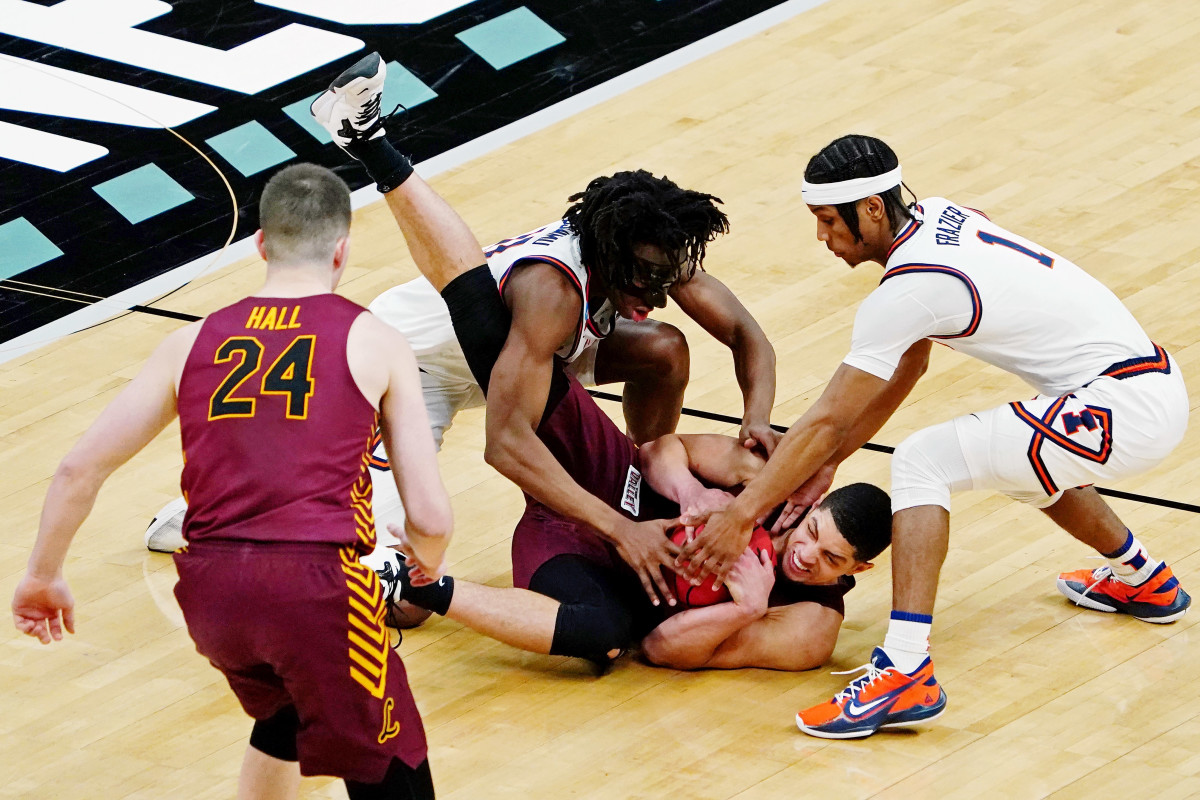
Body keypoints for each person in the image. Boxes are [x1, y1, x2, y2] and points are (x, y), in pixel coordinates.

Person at [677, 134, 1191, 738]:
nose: (822, 237)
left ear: (870, 208)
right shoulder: (946, 217)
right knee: (1011, 460)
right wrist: (829, 462)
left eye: (826, 221)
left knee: (924, 460)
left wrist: (743, 512)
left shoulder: (911, 287)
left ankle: (905, 670)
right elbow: (909, 366)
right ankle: (1144, 579)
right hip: (1143, 386)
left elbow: (824, 417)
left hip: (1122, 405)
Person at [10, 160, 473, 798]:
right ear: (342, 251)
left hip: (212, 594)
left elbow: (77, 468)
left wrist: (42, 575)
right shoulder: (375, 339)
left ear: (260, 244)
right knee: (393, 772)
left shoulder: (190, 342)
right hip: (316, 589)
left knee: (284, 719)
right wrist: (423, 565)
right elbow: (430, 515)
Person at [300, 52, 778, 608]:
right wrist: (616, 530)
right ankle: (224, 513)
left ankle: (643, 471)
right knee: (404, 599)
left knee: (664, 349)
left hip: (513, 363)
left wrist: (757, 417)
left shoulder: (649, 250)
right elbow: (506, 445)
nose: (654, 297)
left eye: (663, 281)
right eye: (646, 281)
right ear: (610, 251)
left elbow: (747, 334)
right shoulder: (550, 292)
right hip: (408, 369)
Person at [388, 421, 891, 670]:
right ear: (814, 506)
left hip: (584, 562)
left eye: (831, 559)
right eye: (812, 533)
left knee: (604, 636)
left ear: (859, 570)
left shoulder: (811, 627)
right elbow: (658, 451)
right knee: (651, 352)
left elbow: (660, 649)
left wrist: (747, 609)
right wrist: (692, 493)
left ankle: (426, 585)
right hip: (606, 490)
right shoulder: (768, 482)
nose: (806, 555)